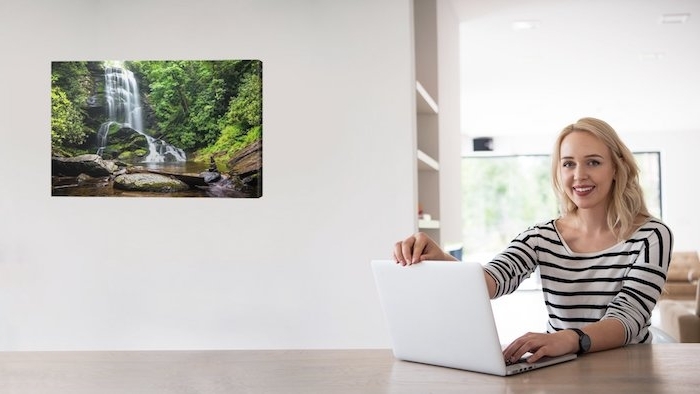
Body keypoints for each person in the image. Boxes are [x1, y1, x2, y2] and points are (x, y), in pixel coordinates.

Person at [393, 117, 673, 365]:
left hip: (630, 368)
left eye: (593, 162)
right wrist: (440, 259)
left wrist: (569, 339)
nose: (579, 175)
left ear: (616, 168)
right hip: (563, 367)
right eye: (568, 164)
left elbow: (628, 318)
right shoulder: (541, 236)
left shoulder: (650, 235)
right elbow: (493, 279)